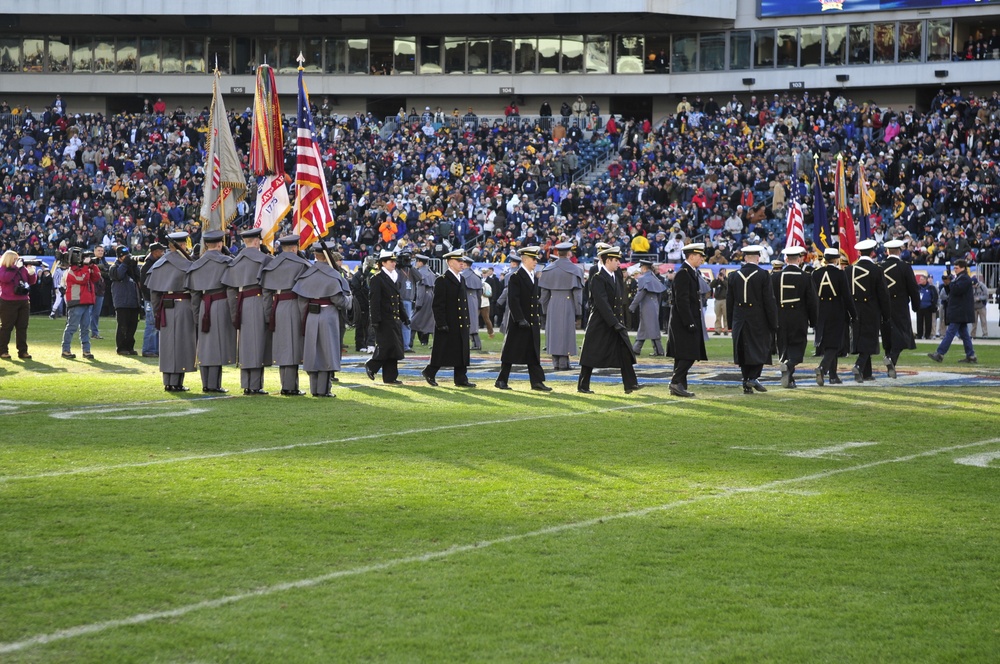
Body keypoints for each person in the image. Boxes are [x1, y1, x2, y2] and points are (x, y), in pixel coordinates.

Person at [577, 246, 641, 395]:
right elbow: (602, 303)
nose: (619, 263)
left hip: (615, 321)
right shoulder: (598, 277)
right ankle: (582, 385)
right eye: (616, 260)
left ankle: (630, 384)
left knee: (625, 351)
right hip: (600, 322)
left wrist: (619, 321)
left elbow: (617, 301)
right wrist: (614, 323)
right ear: (608, 261)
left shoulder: (615, 275)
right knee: (591, 353)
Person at [293, 241, 352, 398]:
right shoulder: (332, 275)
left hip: (311, 315)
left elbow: (302, 301)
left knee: (313, 351)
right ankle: (324, 389)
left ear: (315, 255)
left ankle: (314, 388)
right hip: (328, 315)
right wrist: (349, 300)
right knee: (327, 351)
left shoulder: (307, 274)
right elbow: (339, 300)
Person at [223, 228, 273, 395]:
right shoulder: (264, 259)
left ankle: (246, 383)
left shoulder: (235, 261)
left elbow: (231, 290)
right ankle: (255, 385)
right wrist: (268, 314)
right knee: (258, 343)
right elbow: (267, 289)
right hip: (258, 302)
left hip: (241, 303)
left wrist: (234, 311)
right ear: (257, 241)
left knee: (245, 344)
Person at [185, 230, 236, 393]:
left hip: (202, 304)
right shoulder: (226, 262)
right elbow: (231, 288)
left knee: (205, 345)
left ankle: (207, 382)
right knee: (216, 345)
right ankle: (213, 384)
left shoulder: (196, 264)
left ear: (206, 245)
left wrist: (196, 314)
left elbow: (194, 294)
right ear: (220, 244)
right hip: (220, 303)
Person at [261, 235, 311, 395]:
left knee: (284, 345)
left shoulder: (272, 264)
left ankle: (288, 384)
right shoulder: (301, 264)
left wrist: (268, 314)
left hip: (277, 306)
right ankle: (289, 386)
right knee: (292, 346)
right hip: (294, 305)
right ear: (295, 248)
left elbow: (266, 293)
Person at [145, 232, 196, 391]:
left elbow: (154, 293)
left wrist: (157, 312)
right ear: (182, 245)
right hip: (184, 307)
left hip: (164, 308)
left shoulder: (159, 263)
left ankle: (169, 381)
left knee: (168, 346)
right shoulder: (188, 264)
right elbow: (195, 291)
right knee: (182, 344)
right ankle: (177, 381)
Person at [495, 247, 549, 391]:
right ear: (525, 259)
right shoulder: (516, 276)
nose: (536, 261)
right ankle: (501, 380)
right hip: (519, 322)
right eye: (533, 259)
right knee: (511, 352)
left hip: (531, 321)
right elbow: (513, 300)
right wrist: (519, 319)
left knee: (533, 352)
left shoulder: (533, 276)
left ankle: (536, 381)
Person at [726, 245, 778, 394]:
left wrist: (731, 323)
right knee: (760, 348)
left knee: (743, 350)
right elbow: (769, 300)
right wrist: (773, 321)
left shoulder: (734, 275)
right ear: (758, 257)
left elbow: (729, 301)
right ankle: (753, 377)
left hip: (739, 318)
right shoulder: (763, 275)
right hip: (758, 318)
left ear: (745, 258)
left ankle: (746, 381)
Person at [422, 250, 475, 388]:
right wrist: (441, 323)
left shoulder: (461, 279)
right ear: (451, 262)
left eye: (462, 261)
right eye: (459, 261)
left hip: (460, 321)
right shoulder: (442, 280)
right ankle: (430, 372)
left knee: (461, 350)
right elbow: (438, 304)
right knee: (442, 350)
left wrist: (467, 320)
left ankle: (461, 378)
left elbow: (463, 302)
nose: (462, 264)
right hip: (448, 321)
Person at [666, 243, 708, 397]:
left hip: (685, 320)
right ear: (691, 256)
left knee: (683, 354)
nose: (702, 259)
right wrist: (689, 322)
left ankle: (679, 385)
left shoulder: (689, 272)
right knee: (689, 354)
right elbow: (682, 301)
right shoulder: (684, 273)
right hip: (683, 322)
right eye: (700, 256)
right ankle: (675, 382)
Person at [771, 246, 816, 388]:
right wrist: (813, 320)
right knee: (797, 347)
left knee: (784, 346)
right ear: (800, 259)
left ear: (785, 259)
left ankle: (789, 377)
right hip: (798, 317)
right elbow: (811, 301)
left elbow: (770, 299)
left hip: (780, 317)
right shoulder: (806, 277)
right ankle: (789, 365)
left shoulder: (775, 277)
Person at [848, 239, 890, 383]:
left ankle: (867, 373)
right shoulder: (877, 270)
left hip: (854, 310)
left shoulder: (849, 270)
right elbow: (883, 294)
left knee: (861, 340)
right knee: (869, 340)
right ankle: (859, 366)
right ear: (872, 253)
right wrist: (886, 314)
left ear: (858, 253)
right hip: (871, 310)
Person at [812, 248, 856, 386]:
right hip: (836, 312)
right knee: (835, 345)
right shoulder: (840, 274)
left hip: (820, 312)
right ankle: (823, 368)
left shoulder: (816, 273)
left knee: (827, 344)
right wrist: (853, 314)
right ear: (836, 259)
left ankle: (833, 375)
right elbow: (847, 296)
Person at [538, 241, 584, 370]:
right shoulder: (575, 270)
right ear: (569, 253)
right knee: (565, 332)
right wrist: (578, 311)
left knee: (553, 332)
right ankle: (564, 363)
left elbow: (543, 295)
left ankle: (556, 363)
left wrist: (545, 310)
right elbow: (578, 295)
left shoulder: (548, 269)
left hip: (552, 303)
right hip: (568, 302)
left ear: (557, 253)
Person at [365, 250, 408, 384]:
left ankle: (390, 377)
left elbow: (398, 299)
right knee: (386, 346)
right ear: (383, 263)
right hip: (384, 318)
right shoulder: (377, 279)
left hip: (393, 318)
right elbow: (374, 301)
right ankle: (372, 365)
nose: (394, 263)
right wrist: (375, 320)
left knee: (393, 348)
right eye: (391, 261)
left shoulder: (393, 277)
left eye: (395, 261)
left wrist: (404, 316)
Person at [880, 239, 920, 379]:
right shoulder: (904, 267)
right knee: (903, 336)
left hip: (883, 306)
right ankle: (891, 359)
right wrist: (916, 305)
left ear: (887, 251)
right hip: (900, 306)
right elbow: (913, 288)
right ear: (900, 251)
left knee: (887, 334)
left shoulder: (880, 266)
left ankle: (888, 356)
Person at [928, 259, 977, 364]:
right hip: (959, 310)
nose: (955, 270)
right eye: (954, 268)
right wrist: (947, 284)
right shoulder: (960, 278)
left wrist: (951, 281)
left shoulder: (965, 279)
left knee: (950, 333)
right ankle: (971, 356)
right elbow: (950, 292)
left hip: (960, 310)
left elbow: (956, 290)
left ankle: (940, 353)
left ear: (963, 268)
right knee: (964, 335)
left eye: (957, 268)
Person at [60, 247, 101, 360]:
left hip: (86, 301)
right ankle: (66, 349)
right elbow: (82, 279)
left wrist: (92, 266)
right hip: (76, 301)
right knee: (72, 327)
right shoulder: (71, 271)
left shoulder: (85, 269)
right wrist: (86, 266)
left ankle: (86, 350)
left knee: (85, 328)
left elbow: (96, 277)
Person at [0, 250, 38, 360]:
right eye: (15, 259)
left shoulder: (22, 269)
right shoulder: (3, 269)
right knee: (6, 327)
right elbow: (5, 279)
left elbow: (31, 282)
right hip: (8, 301)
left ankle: (23, 351)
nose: (17, 261)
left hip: (23, 300)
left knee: (22, 327)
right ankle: (3, 350)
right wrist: (16, 268)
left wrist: (31, 273)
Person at [629, 259, 666, 356]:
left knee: (648, 327)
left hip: (646, 306)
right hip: (654, 304)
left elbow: (640, 294)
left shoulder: (643, 278)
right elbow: (659, 294)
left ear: (644, 268)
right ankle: (640, 348)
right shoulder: (654, 278)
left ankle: (656, 350)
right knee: (648, 327)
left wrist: (632, 307)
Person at [109, 246, 142, 355]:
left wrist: (134, 266)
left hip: (134, 300)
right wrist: (124, 264)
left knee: (132, 326)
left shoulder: (130, 267)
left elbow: (139, 277)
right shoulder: (114, 267)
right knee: (123, 325)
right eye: (124, 256)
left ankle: (130, 347)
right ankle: (121, 348)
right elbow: (118, 275)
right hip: (122, 302)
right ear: (119, 256)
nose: (126, 258)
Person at [139, 242, 165, 357]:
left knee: (155, 324)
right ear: (155, 252)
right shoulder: (148, 266)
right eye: (161, 251)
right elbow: (145, 285)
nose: (163, 253)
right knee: (151, 324)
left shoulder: (152, 264)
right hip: (150, 299)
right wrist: (150, 298)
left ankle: (154, 349)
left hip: (152, 298)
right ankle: (149, 349)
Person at [409, 253, 437, 347]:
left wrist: (418, 303)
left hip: (424, 297)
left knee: (413, 322)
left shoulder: (420, 273)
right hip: (431, 297)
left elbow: (421, 289)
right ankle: (437, 343)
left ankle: (409, 343)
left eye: (417, 261)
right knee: (431, 322)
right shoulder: (430, 272)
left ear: (421, 262)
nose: (416, 263)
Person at [461, 257, 486, 350]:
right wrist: (479, 305)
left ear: (465, 265)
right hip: (475, 299)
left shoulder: (463, 276)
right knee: (473, 322)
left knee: (468, 322)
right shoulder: (476, 276)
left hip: (467, 299)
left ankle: (475, 343)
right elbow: (480, 293)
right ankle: (476, 343)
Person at [396, 250, 418, 352]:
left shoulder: (411, 270)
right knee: (398, 323)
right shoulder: (398, 270)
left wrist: (411, 266)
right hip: (399, 299)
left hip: (408, 300)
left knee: (406, 323)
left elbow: (420, 277)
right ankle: (400, 345)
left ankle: (406, 346)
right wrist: (398, 265)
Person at [496, 252, 522, 334]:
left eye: (511, 262)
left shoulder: (509, 275)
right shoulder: (522, 273)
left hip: (511, 300)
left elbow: (507, 290)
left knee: (508, 319)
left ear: (514, 264)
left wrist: (500, 301)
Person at [89, 245, 110, 339]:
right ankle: (86, 332)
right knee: (88, 312)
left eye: (102, 250)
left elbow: (108, 274)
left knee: (96, 313)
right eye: (99, 250)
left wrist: (100, 271)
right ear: (94, 251)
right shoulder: (90, 261)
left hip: (100, 290)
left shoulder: (105, 262)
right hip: (91, 289)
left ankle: (94, 332)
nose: (101, 252)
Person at [915, 274, 938, 340]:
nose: (920, 280)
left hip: (928, 307)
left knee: (928, 322)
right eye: (920, 279)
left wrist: (933, 306)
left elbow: (935, 297)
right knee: (919, 322)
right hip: (919, 307)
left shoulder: (931, 288)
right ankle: (919, 335)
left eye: (922, 279)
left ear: (925, 280)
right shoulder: (918, 287)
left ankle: (927, 335)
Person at [710, 268, 728, 334]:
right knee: (718, 316)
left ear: (725, 273)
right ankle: (717, 330)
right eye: (721, 272)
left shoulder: (727, 280)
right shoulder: (717, 281)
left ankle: (726, 330)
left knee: (725, 316)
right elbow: (711, 285)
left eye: (723, 272)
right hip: (717, 300)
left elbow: (728, 286)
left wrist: (722, 280)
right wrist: (716, 279)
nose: (722, 274)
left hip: (725, 300)